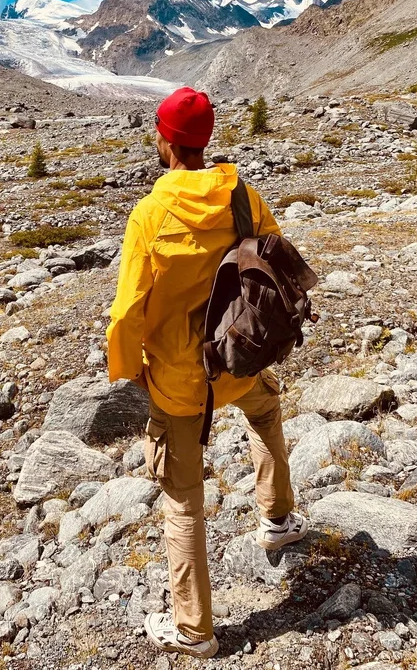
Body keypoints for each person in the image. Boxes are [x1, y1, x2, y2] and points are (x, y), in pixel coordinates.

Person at [106, 87, 308, 660]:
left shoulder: (148, 214)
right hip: (239, 358)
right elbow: (274, 255)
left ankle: (194, 630)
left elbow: (127, 312)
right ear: (205, 139)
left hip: (178, 378)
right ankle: (278, 517)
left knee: (183, 499)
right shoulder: (241, 192)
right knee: (265, 411)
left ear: (164, 140)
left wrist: (130, 370)